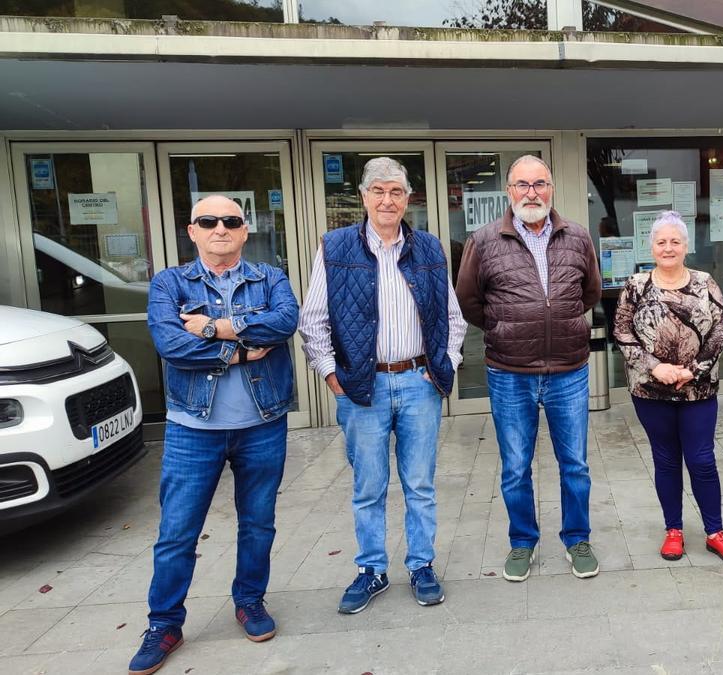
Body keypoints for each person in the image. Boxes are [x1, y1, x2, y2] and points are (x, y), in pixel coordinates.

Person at [134, 195, 297, 675]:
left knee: (259, 523)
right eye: (209, 221)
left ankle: (249, 601)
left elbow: (285, 322)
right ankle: (164, 623)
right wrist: (239, 352)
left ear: (245, 231)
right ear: (192, 231)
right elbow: (170, 344)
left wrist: (215, 326)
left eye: (231, 221)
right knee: (177, 533)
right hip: (192, 430)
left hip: (261, 425)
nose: (220, 228)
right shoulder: (170, 283)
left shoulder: (270, 278)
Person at [299, 157, 466, 613]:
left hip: (418, 383)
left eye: (396, 192)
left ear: (408, 198)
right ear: (364, 196)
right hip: (361, 387)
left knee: (420, 484)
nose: (387, 199)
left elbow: (452, 317)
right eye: (379, 191)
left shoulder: (429, 248)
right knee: (368, 487)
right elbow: (313, 321)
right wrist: (333, 378)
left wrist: (443, 368)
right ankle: (371, 569)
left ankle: (421, 566)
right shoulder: (335, 247)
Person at [455, 155, 603, 581]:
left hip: (569, 372)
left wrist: (556, 322)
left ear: (551, 188)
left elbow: (588, 292)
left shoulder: (577, 237)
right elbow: (469, 302)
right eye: (522, 185)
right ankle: (522, 542)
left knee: (574, 463)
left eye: (539, 184)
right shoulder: (483, 241)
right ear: (509, 191)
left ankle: (577, 538)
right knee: (515, 466)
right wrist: (506, 326)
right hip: (509, 373)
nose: (531, 192)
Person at [612, 211, 723, 563]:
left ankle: (715, 532)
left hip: (697, 390)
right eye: (661, 242)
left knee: (702, 460)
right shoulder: (635, 286)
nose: (668, 247)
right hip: (650, 391)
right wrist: (656, 368)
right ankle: (674, 530)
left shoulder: (705, 282)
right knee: (666, 459)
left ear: (686, 246)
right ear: (651, 246)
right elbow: (623, 333)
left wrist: (694, 370)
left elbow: (719, 331)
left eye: (675, 241)